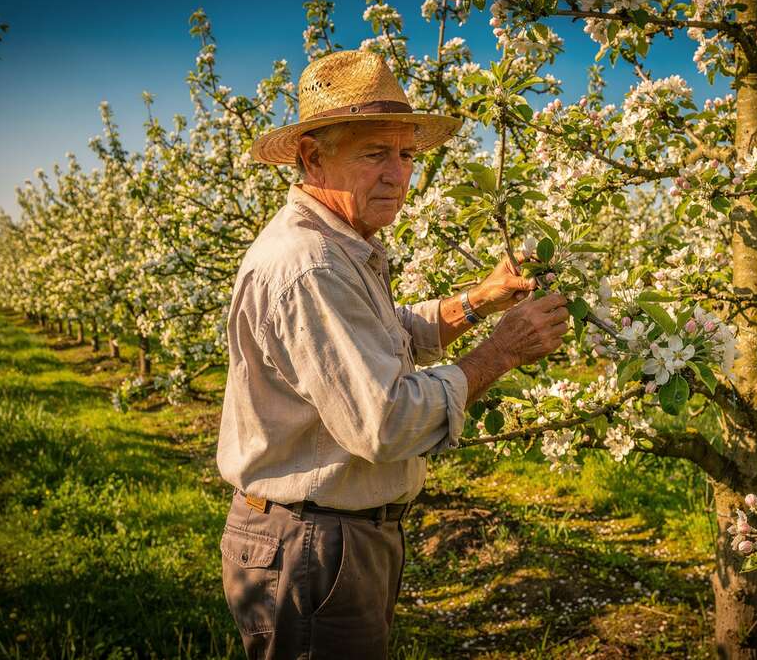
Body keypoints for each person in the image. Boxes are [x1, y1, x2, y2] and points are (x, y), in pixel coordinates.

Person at [215, 49, 569, 659]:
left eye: (407, 155)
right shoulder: (312, 266)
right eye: (375, 153)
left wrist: (476, 302)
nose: (398, 175)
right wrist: (501, 352)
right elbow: (384, 420)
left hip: (328, 536)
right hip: (312, 543)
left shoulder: (339, 246)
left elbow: (379, 337)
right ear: (312, 157)